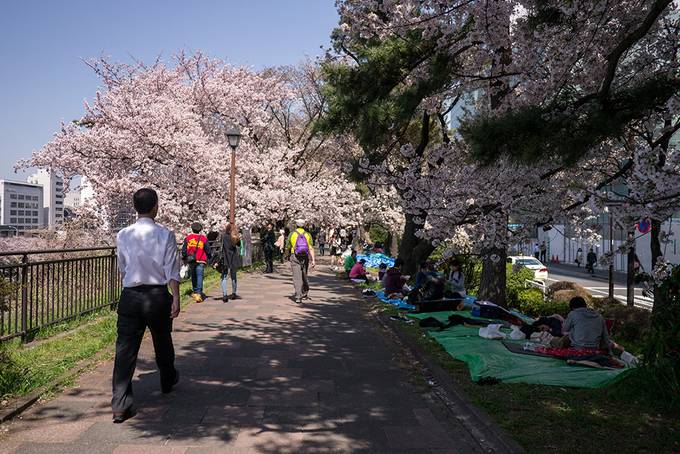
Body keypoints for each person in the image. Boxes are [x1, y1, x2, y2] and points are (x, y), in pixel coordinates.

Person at [112, 188, 180, 423]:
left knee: (125, 350)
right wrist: (176, 298)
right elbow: (171, 269)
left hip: (130, 295)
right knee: (163, 340)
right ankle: (167, 379)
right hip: (157, 295)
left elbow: (122, 267)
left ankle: (120, 404)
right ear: (155, 206)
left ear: (135, 207)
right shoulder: (165, 234)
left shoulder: (123, 234)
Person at [287, 219, 316, 304]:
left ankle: (298, 296)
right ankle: (305, 291)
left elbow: (287, 246)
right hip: (305, 257)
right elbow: (310, 247)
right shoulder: (308, 235)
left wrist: (286, 255)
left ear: (296, 225)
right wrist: (313, 260)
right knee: (304, 275)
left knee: (297, 277)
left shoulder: (292, 234)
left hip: (295, 256)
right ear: (304, 225)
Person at [181, 222, 211, 303]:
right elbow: (208, 250)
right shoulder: (204, 239)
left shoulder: (188, 238)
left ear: (192, 229)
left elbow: (184, 250)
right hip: (201, 260)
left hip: (191, 260)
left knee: (194, 276)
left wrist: (184, 258)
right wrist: (209, 257)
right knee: (200, 276)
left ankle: (195, 292)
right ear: (200, 230)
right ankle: (199, 293)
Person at [219, 223, 242, 302]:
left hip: (225, 258)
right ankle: (234, 293)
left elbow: (221, 246)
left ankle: (225, 295)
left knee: (224, 277)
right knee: (233, 276)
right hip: (233, 258)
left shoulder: (224, 236)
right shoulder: (235, 237)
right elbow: (239, 245)